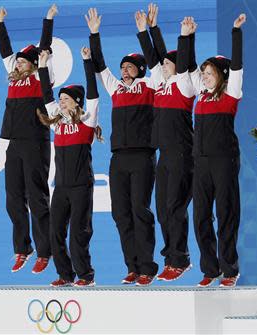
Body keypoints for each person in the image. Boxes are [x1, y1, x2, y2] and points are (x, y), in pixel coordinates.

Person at [86, 8, 158, 286]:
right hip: (119, 158)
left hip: (143, 155)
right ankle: (132, 266)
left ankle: (147, 267)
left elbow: (155, 62)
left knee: (140, 210)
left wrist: (144, 32)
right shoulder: (115, 89)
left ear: (140, 70)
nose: (124, 71)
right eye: (123, 67)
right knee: (121, 213)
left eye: (130, 67)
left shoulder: (150, 85)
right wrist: (94, 34)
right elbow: (99, 65)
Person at [0, 5, 57, 273]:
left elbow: (44, 48)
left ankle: (45, 251)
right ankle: (22, 248)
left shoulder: (41, 77)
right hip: (15, 143)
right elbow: (5, 50)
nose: (17, 62)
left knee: (37, 198)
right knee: (13, 198)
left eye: (22, 60)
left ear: (33, 64)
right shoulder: (13, 76)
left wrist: (48, 21)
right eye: (17, 60)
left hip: (36, 143)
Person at [135, 5, 195, 282]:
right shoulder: (160, 84)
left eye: (168, 64)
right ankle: (171, 257)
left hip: (182, 153)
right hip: (164, 154)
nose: (162, 67)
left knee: (175, 207)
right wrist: (145, 30)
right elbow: (155, 58)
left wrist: (183, 37)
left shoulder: (184, 85)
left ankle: (179, 259)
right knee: (162, 210)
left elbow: (177, 60)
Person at [187, 14, 246, 287]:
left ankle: (229, 268)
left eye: (209, 73)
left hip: (224, 160)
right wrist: (188, 37)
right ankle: (210, 269)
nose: (205, 77)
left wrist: (235, 31)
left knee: (226, 213)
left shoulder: (231, 92)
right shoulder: (200, 94)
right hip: (200, 162)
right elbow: (187, 68)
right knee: (200, 215)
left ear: (221, 75)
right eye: (204, 74)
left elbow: (237, 67)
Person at [38, 47, 101, 287]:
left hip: (81, 186)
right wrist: (42, 66)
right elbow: (46, 95)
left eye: (65, 99)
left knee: (78, 234)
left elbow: (94, 96)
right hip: (61, 187)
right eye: (60, 99)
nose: (61, 102)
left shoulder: (87, 121)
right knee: (55, 233)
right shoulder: (58, 123)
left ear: (76, 101)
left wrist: (87, 60)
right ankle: (65, 275)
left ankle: (86, 275)